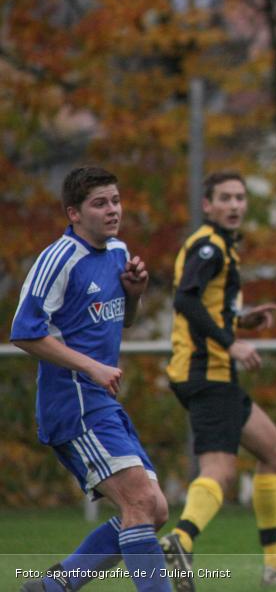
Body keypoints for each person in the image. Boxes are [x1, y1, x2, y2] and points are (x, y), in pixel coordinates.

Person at [11, 167, 172, 592]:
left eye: (115, 200)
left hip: (101, 401)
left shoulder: (119, 252)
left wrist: (135, 295)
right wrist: (90, 366)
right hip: (73, 403)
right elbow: (24, 332)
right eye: (100, 203)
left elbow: (126, 322)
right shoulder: (58, 259)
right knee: (139, 501)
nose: (112, 210)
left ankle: (53, 587)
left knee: (154, 510)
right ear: (74, 213)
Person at [160, 172, 276, 591]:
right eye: (225, 198)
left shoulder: (221, 247)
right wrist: (231, 342)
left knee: (274, 448)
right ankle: (181, 540)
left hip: (210, 373)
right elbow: (185, 299)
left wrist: (241, 319)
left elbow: (202, 302)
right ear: (207, 205)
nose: (235, 205)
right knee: (220, 471)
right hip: (206, 373)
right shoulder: (209, 246)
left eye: (240, 198)